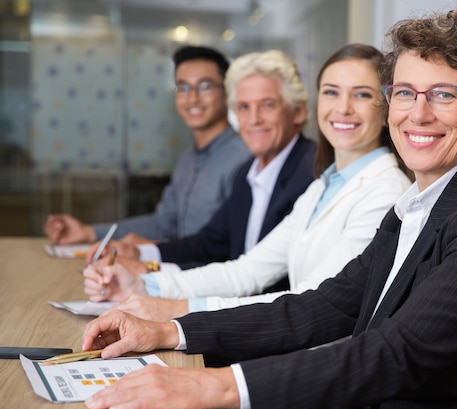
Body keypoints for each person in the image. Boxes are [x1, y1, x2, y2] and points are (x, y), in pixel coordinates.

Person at [82, 10, 457, 409]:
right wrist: (169, 330)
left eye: (444, 94)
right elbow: (322, 306)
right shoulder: (415, 206)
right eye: (406, 92)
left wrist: (215, 385)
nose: (418, 113)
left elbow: (398, 352)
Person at [83, 44, 412, 321]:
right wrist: (144, 286)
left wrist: (172, 308)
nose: (342, 108)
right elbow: (246, 270)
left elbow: (309, 300)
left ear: (386, 109)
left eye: (362, 94)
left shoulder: (385, 194)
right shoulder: (323, 185)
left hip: (321, 367)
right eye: (331, 92)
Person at [84, 49, 317, 279]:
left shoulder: (310, 175)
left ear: (298, 112)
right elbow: (211, 243)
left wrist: (151, 270)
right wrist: (138, 253)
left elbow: (253, 276)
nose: (253, 119)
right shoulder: (249, 172)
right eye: (244, 107)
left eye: (267, 105)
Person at [43, 46, 251, 244]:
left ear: (227, 93)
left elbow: (232, 248)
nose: (192, 98)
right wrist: (89, 232)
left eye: (205, 86)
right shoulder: (188, 159)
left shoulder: (243, 159)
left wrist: (154, 251)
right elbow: (163, 225)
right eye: (183, 87)